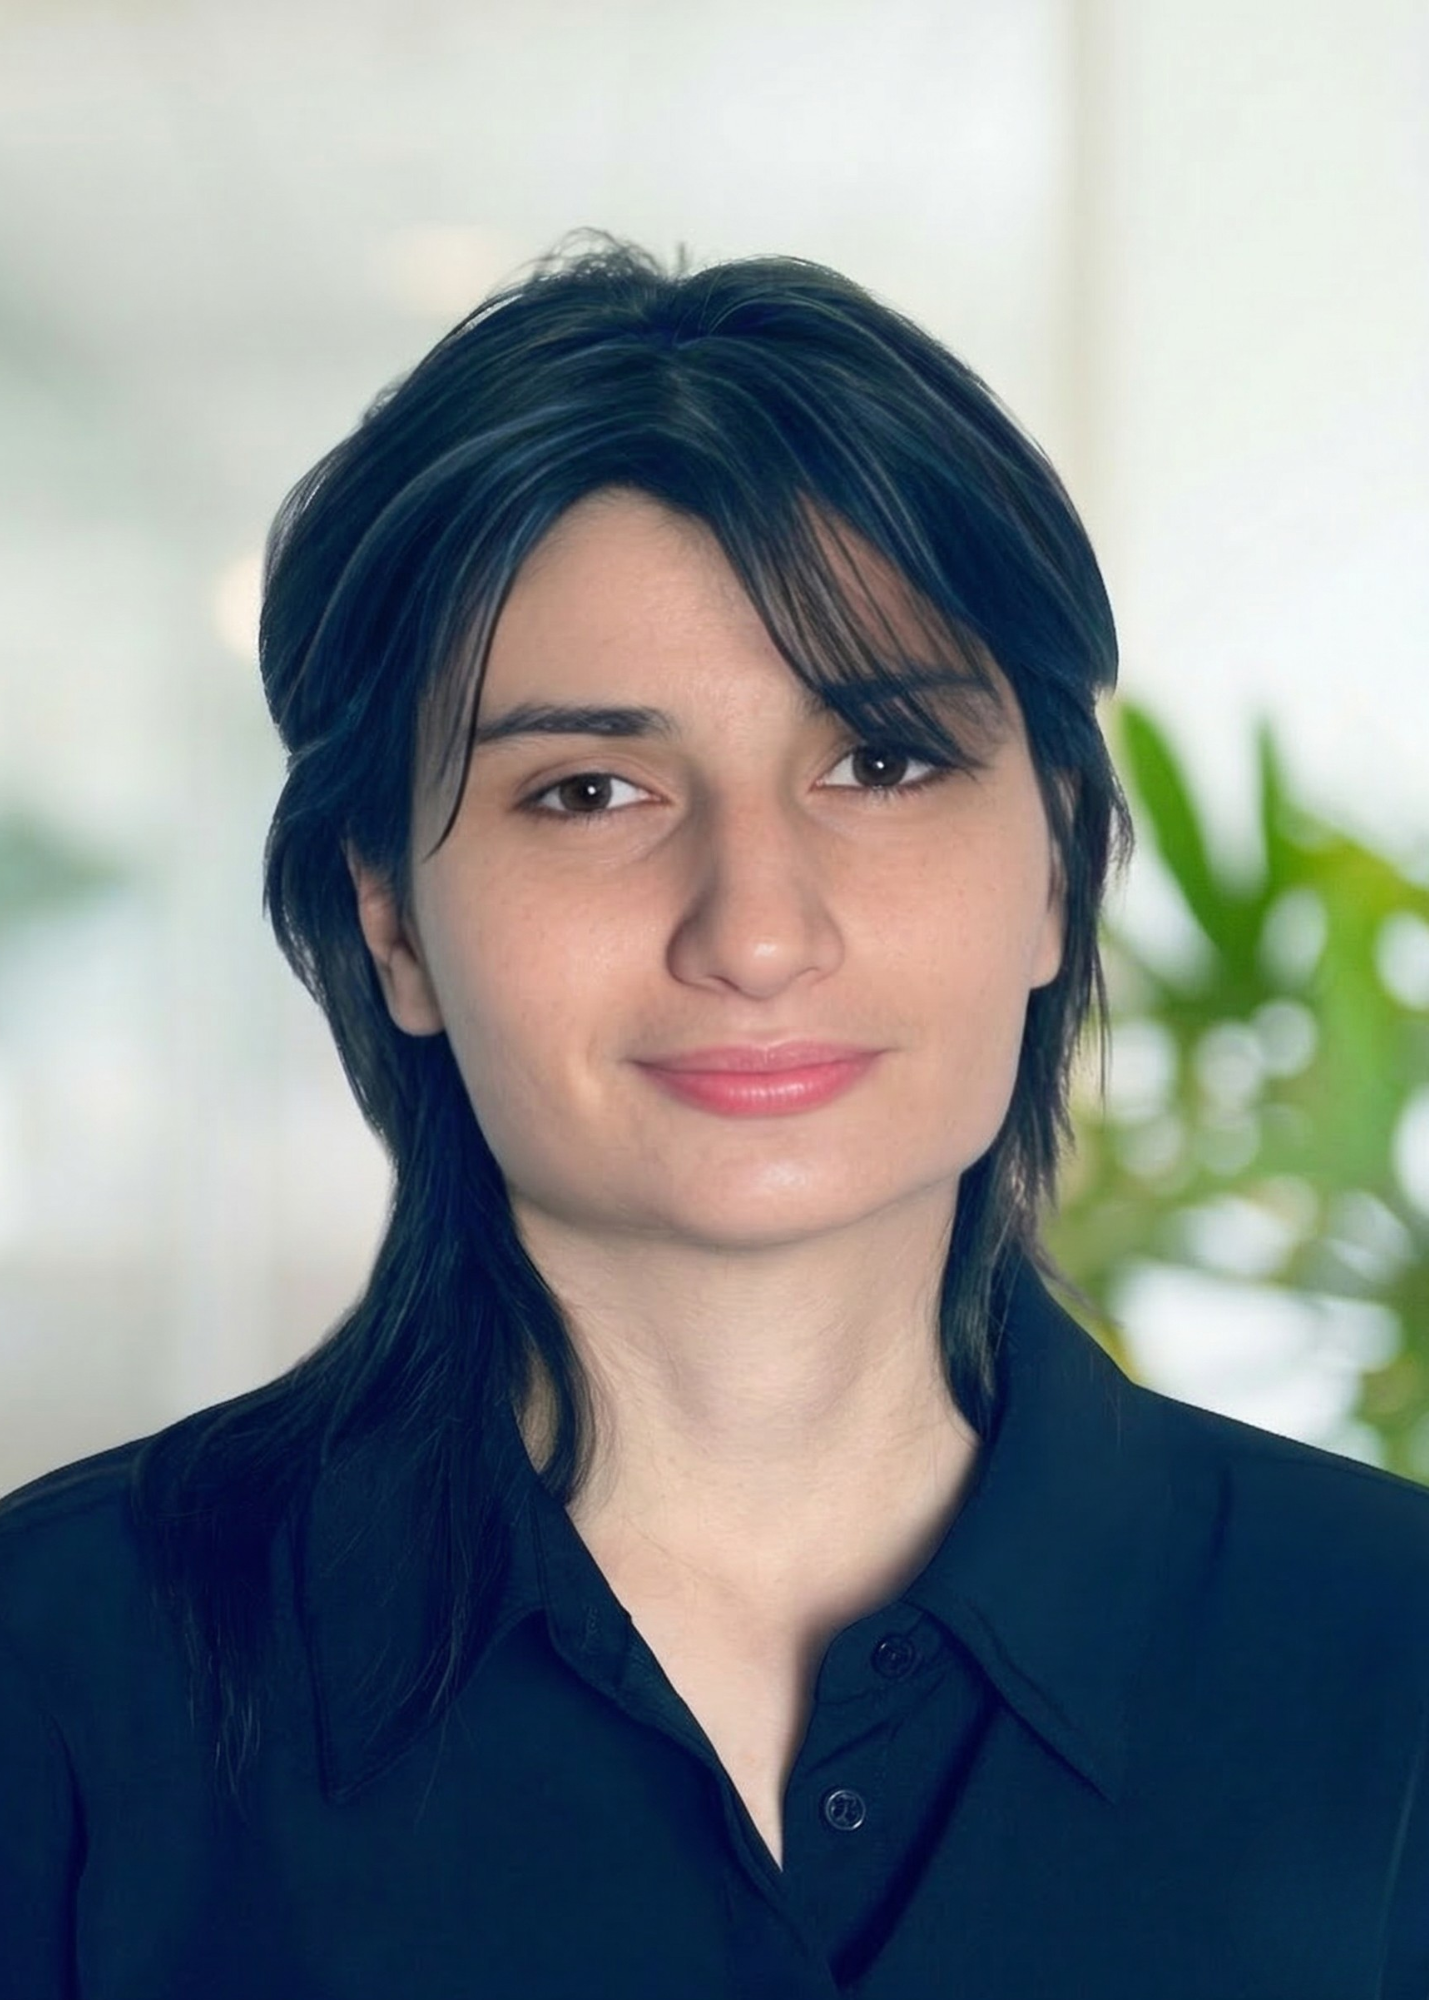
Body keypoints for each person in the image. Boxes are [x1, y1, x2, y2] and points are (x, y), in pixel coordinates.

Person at [1, 234, 1426, 1999]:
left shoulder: (1392, 1658)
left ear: (1057, 862)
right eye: (589, 790)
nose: (755, 927)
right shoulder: (58, 1679)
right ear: (391, 921)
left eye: (883, 762)